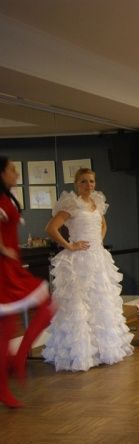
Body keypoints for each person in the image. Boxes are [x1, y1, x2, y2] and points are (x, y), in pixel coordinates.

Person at [42, 168, 133, 371]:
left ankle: (102, 350)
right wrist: (70, 245)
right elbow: (51, 228)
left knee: (101, 303)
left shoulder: (97, 202)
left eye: (91, 181)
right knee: (79, 305)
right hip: (79, 261)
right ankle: (81, 353)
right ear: (76, 184)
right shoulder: (71, 204)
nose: (88, 185)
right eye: (83, 181)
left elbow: (103, 225)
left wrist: (97, 240)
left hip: (98, 258)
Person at [0, 156, 53, 407]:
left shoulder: (7, 198)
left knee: (46, 307)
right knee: (6, 329)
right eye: (12, 170)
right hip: (4, 268)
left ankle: (19, 357)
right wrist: (3, 249)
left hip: (11, 266)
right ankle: (10, 375)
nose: (16, 174)